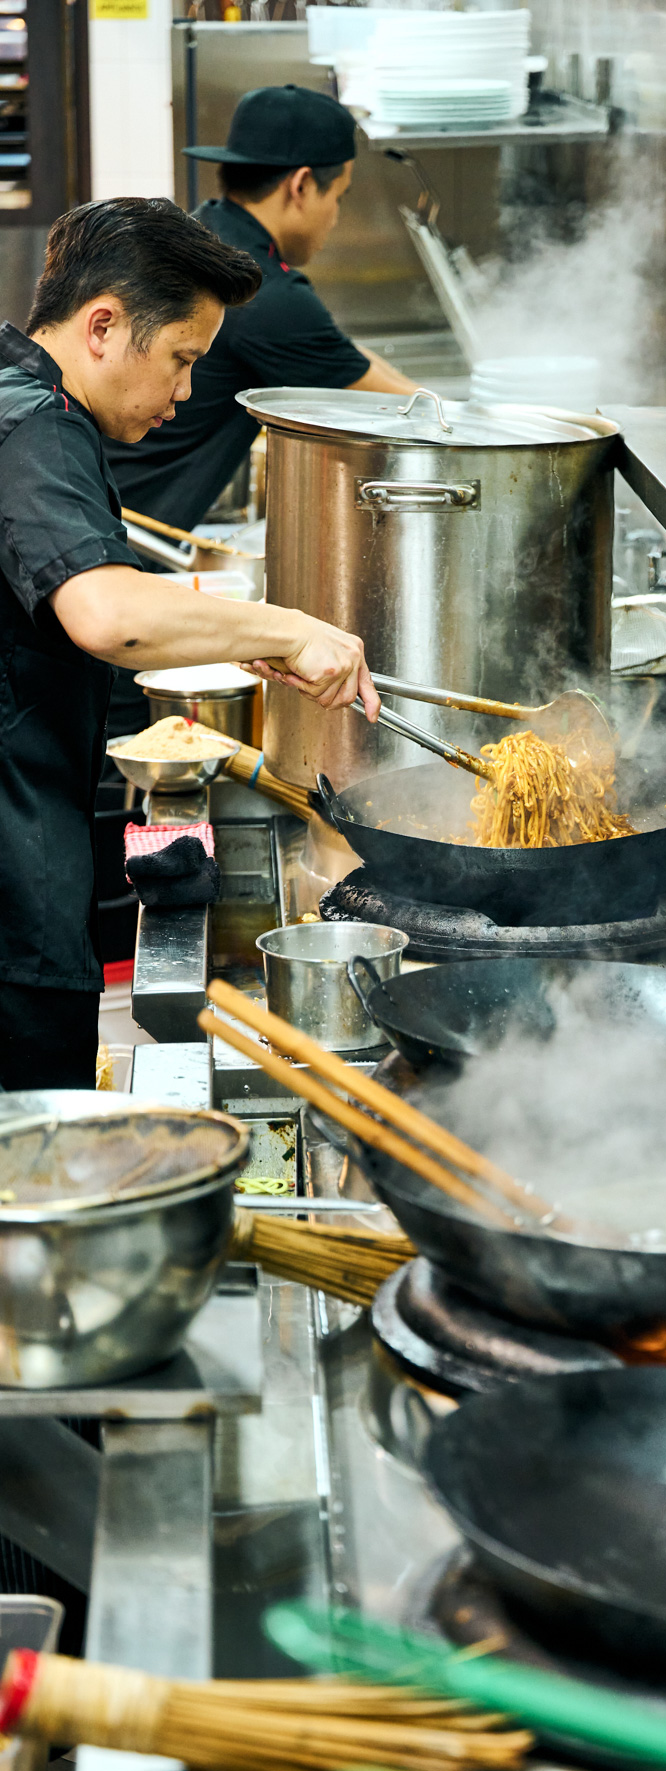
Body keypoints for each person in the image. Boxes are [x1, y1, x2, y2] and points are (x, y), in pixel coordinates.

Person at [0, 196, 381, 1094]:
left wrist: (234, 630)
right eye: (181, 359)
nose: (186, 392)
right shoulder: (40, 428)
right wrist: (292, 629)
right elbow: (108, 614)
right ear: (103, 326)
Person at [108, 85, 417, 531]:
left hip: (108, 509)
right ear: (302, 185)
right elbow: (406, 411)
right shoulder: (258, 290)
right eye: (339, 197)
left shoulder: (209, 235)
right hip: (119, 535)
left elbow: (344, 357)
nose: (335, 216)